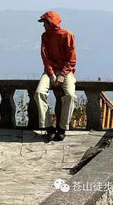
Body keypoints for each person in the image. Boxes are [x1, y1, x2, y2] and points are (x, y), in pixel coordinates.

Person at [34, 10, 76, 142]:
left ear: (50, 23)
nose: (43, 26)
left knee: (70, 95)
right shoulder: (45, 36)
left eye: (44, 23)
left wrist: (62, 74)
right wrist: (51, 74)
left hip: (66, 71)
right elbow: (45, 57)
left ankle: (62, 127)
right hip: (50, 71)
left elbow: (72, 59)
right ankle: (48, 126)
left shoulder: (67, 35)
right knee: (39, 93)